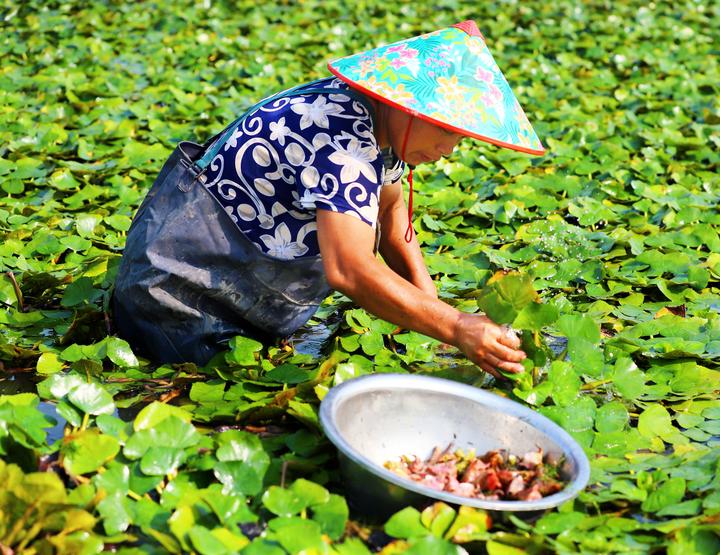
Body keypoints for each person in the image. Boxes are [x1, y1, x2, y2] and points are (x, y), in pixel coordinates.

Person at [112, 20, 545, 378]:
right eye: (448, 130)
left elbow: (393, 219)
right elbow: (350, 270)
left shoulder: (380, 125)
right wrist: (457, 327)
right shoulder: (344, 142)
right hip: (178, 295)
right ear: (411, 109)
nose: (450, 149)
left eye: (461, 136)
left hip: (243, 291)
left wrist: (439, 315)